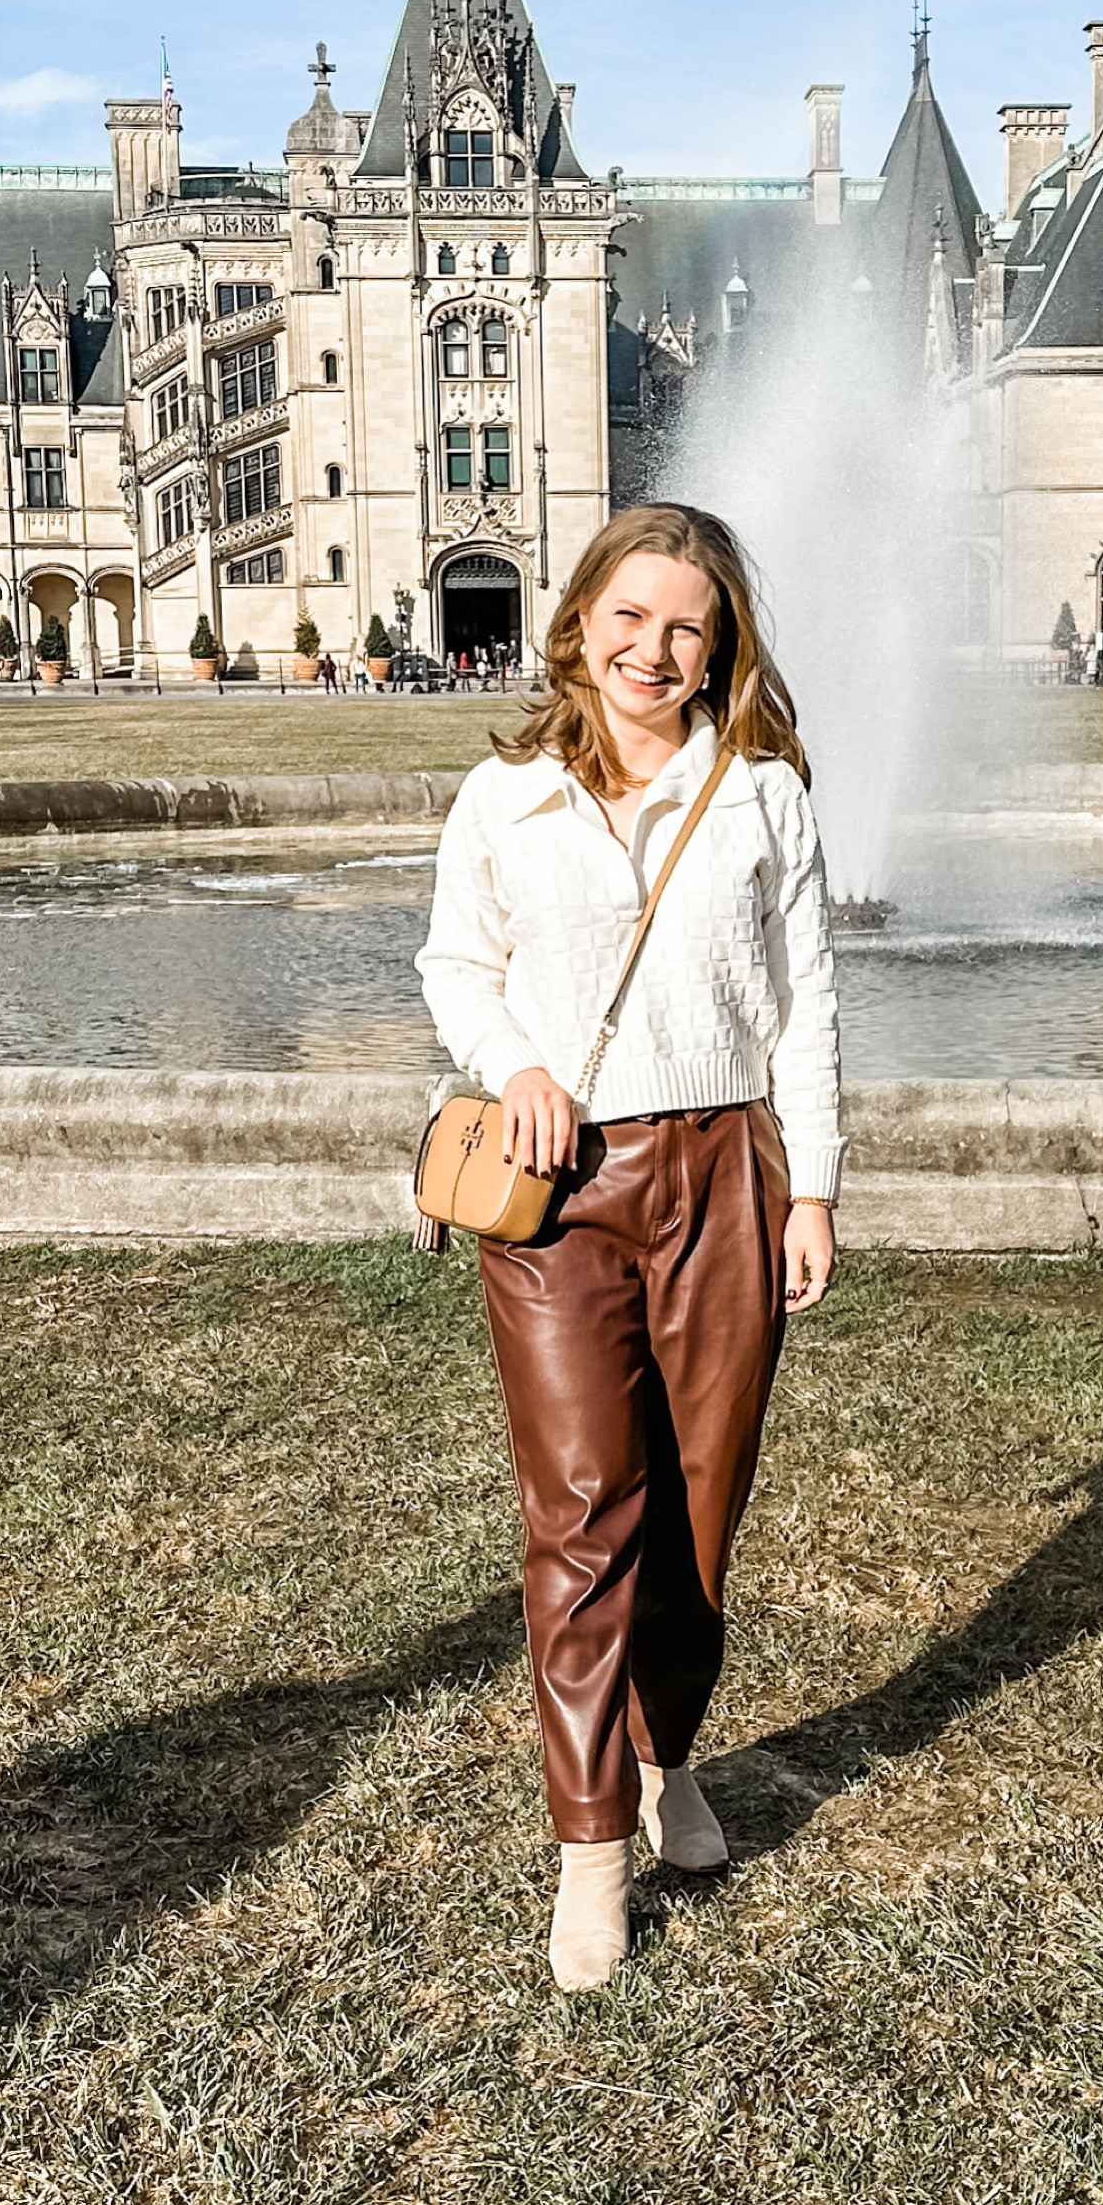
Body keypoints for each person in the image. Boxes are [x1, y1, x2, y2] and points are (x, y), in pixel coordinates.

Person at [417, 501, 841, 1994]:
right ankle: (591, 1843)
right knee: (585, 1505)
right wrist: (515, 1061)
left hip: (726, 1168)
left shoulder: (764, 793)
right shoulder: (509, 795)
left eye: (686, 625)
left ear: (718, 642)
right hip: (560, 1185)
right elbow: (457, 965)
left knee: (699, 1510)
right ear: (580, 614)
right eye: (629, 613)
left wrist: (815, 1188)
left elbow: (805, 1005)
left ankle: (670, 1756)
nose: (652, 649)